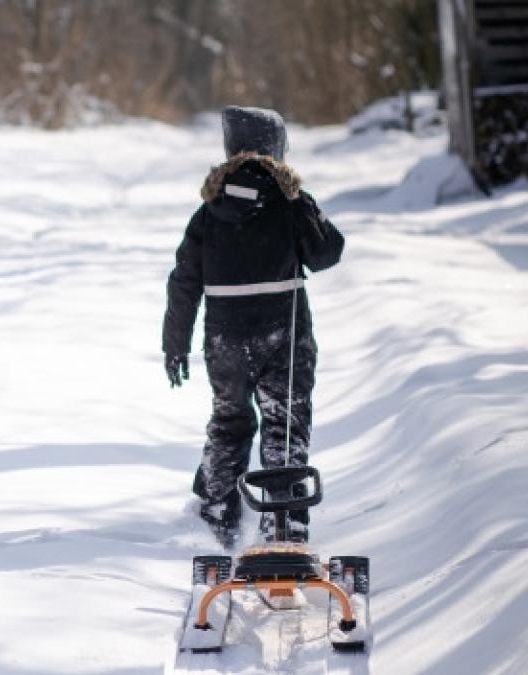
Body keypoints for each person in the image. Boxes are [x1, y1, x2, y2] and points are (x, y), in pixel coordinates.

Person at [162, 106, 344, 549]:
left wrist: (175, 344)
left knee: (229, 422)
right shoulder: (289, 203)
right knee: (284, 425)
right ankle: (284, 528)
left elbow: (184, 281)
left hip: (224, 341)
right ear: (276, 147)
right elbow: (327, 253)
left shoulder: (208, 213)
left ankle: (217, 523)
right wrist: (304, 205)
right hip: (284, 336)